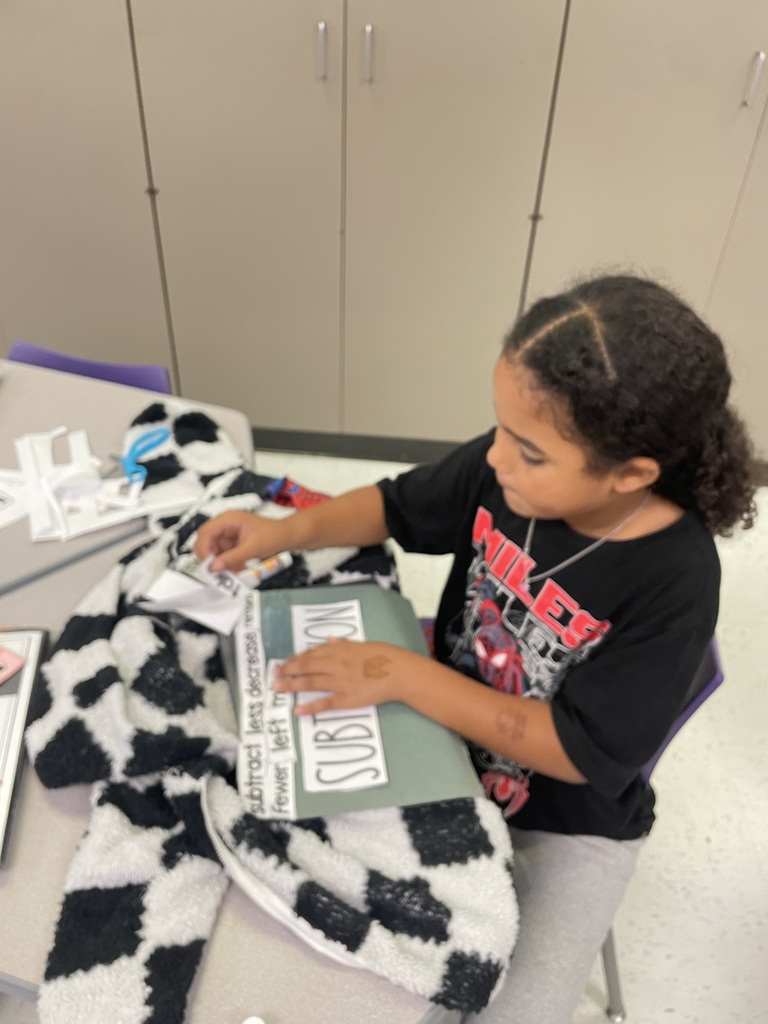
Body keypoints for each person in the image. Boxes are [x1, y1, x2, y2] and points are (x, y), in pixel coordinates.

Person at [194, 275, 756, 1024]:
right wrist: (283, 531)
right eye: (500, 431)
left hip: (562, 817)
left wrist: (405, 677)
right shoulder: (511, 472)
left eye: (528, 452)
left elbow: (584, 752)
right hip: (446, 739)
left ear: (631, 474)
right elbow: (398, 505)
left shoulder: (676, 581)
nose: (495, 459)